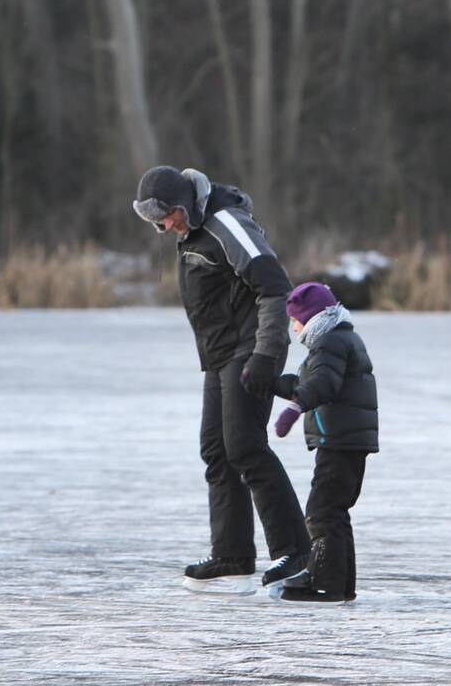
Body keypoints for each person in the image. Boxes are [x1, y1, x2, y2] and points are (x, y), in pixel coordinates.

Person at [132, 165, 310, 593]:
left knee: (245, 445)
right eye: (159, 220)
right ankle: (232, 554)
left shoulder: (226, 222)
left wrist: (266, 355)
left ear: (186, 202)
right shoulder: (192, 230)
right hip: (220, 354)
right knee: (216, 449)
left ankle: (297, 550)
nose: (167, 225)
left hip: (251, 348)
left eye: (170, 214)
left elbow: (274, 287)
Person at [271, 282, 378, 603]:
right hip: (348, 439)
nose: (293, 327)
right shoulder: (340, 339)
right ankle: (341, 584)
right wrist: (270, 384)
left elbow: (323, 385)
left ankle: (324, 583)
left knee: (322, 512)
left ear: (311, 317)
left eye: (295, 320)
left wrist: (292, 409)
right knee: (334, 511)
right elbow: (310, 382)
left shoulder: (330, 343)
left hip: (341, 441)